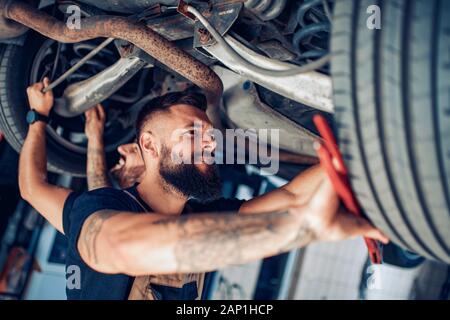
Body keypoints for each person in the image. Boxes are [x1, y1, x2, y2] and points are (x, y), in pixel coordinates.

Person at [19, 78, 388, 300]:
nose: (210, 145)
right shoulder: (103, 208)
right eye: (193, 135)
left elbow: (291, 198)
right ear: (149, 145)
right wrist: (296, 228)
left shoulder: (197, 215)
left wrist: (359, 154)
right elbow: (120, 244)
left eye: (210, 137)